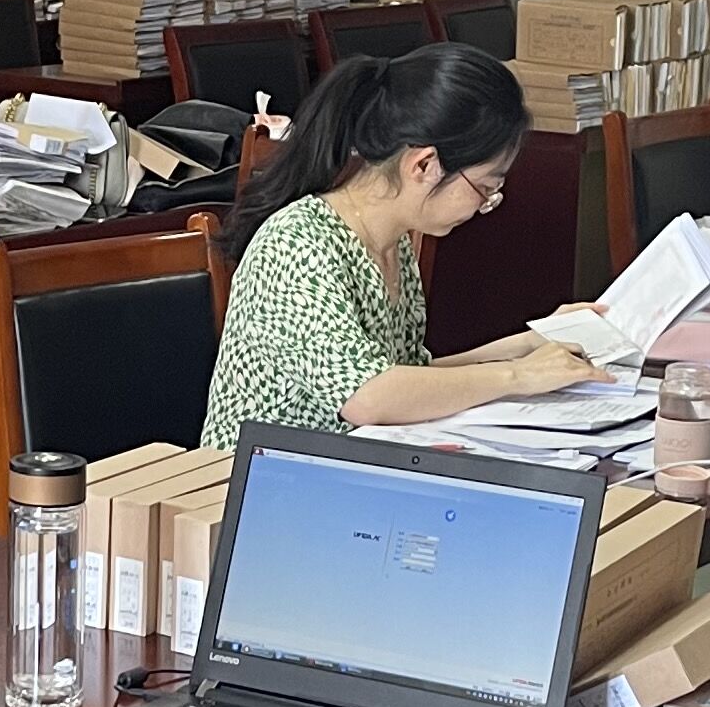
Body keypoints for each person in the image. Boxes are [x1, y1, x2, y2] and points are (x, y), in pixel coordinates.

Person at [201, 43, 603, 445]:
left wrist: (528, 344)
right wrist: (519, 375)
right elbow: (369, 397)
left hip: (337, 466)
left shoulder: (392, 244)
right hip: (256, 475)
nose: (485, 205)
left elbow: (409, 379)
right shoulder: (297, 244)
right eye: (485, 187)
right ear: (424, 165)